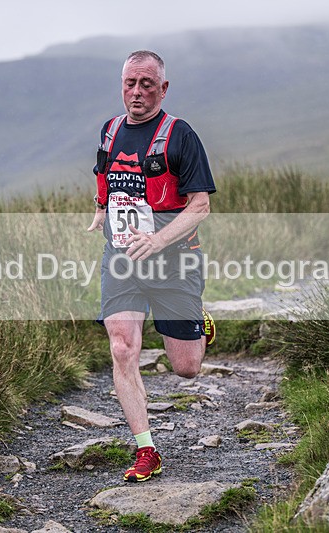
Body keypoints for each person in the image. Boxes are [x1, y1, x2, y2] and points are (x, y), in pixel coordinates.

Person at [87, 50, 216, 482]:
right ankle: (147, 450)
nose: (137, 91)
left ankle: (196, 323)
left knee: (186, 368)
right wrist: (102, 210)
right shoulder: (110, 131)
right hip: (121, 262)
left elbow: (200, 207)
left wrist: (158, 239)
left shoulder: (180, 136)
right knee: (123, 347)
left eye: (146, 84)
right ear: (121, 84)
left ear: (163, 88)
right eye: (130, 83)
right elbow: (109, 177)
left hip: (176, 263)